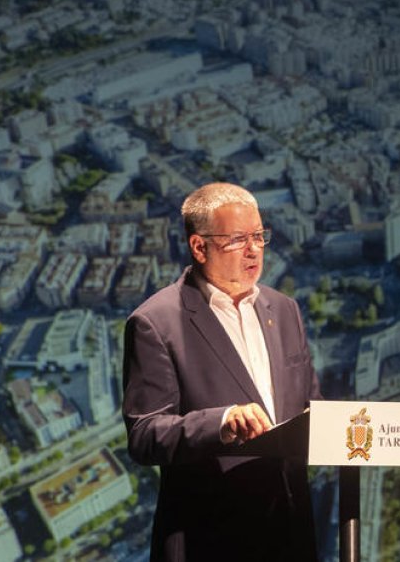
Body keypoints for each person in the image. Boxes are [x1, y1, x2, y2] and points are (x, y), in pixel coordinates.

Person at [122, 182, 320, 561]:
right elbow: (145, 434)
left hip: (290, 535)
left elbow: (312, 407)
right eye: (238, 239)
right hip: (210, 539)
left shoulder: (285, 310)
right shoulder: (155, 322)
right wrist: (223, 422)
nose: (254, 249)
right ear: (199, 247)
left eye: (259, 236)